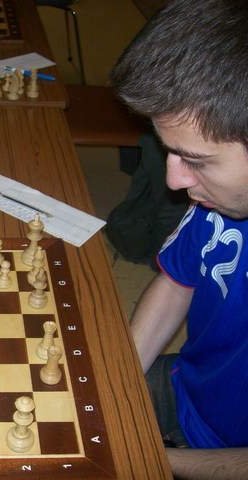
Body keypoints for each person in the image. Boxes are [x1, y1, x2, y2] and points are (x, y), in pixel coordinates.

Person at [110, 0, 248, 478]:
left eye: (196, 161)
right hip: (186, 388)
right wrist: (116, 380)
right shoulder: (221, 201)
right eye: (169, 152)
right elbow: (176, 283)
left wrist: (153, 459)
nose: (174, 181)